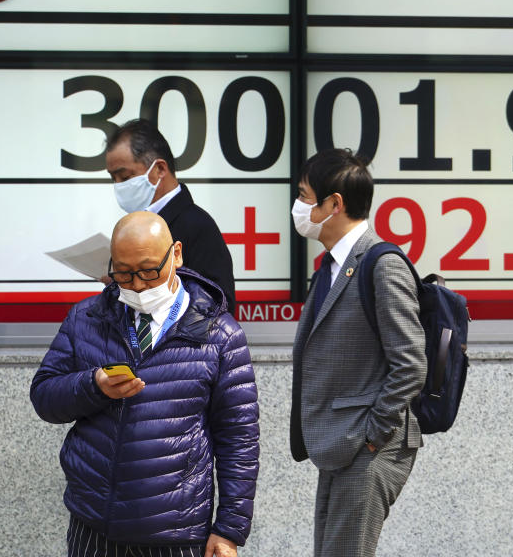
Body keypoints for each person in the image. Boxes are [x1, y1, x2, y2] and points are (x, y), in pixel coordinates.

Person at [31, 211, 259, 557]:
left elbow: (239, 440)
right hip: (94, 524)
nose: (137, 285)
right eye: (123, 273)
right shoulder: (87, 317)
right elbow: (45, 396)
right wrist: (93, 385)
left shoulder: (220, 335)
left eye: (149, 272)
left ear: (177, 255)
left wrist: (229, 529)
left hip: (176, 531)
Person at [289, 148, 427, 557]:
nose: (298, 206)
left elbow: (410, 362)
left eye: (304, 195)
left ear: (335, 204)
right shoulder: (331, 265)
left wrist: (373, 433)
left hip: (367, 445)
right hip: (337, 443)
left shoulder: (381, 264)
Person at [105, 118, 236, 313]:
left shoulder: (198, 226)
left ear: (159, 169)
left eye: (125, 177)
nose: (119, 186)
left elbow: (220, 305)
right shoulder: (134, 225)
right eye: (113, 178)